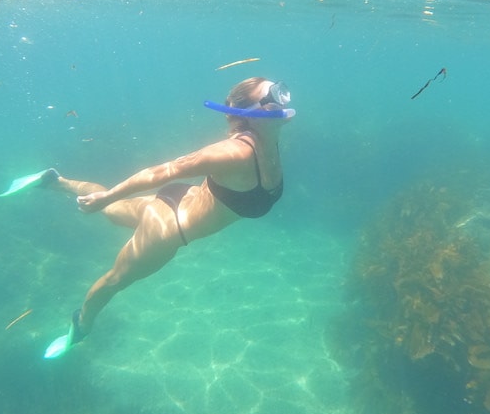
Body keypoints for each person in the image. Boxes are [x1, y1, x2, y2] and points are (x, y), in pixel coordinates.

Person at [33, 77, 295, 357]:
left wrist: (107, 200)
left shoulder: (268, 139)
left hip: (176, 202)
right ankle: (81, 326)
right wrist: (109, 196)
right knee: (115, 280)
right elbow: (163, 171)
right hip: (167, 231)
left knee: (110, 212)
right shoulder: (233, 153)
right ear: (251, 113)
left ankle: (55, 181)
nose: (283, 100)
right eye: (273, 96)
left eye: (281, 92)